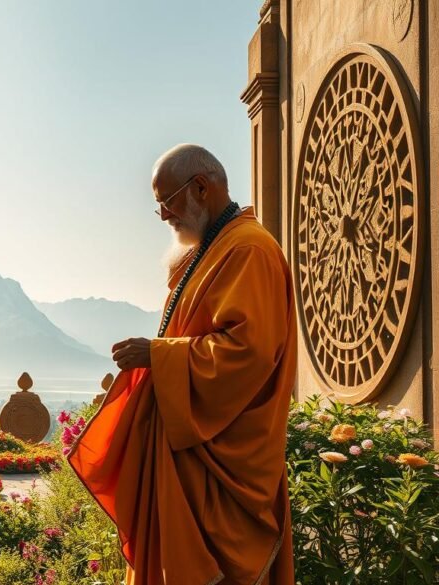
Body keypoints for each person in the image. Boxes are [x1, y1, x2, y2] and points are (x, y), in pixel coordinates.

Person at [68, 144, 296, 584]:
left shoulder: (248, 250)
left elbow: (248, 352)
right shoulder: (213, 248)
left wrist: (157, 354)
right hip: (191, 461)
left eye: (166, 204)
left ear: (201, 188)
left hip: (223, 469)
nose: (164, 218)